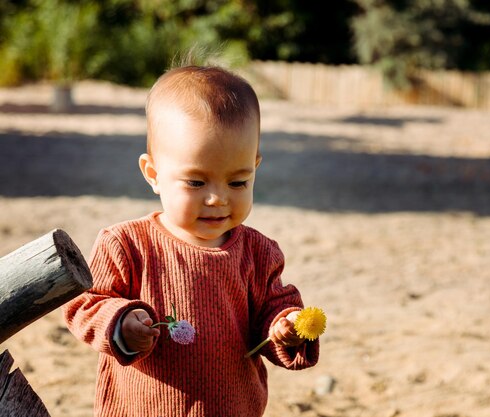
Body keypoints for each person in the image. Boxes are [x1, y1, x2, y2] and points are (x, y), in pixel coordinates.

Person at [63, 65, 319, 417]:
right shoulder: (126, 244)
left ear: (255, 168)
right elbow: (84, 304)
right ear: (153, 174)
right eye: (196, 183)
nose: (217, 199)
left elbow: (274, 310)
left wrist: (285, 326)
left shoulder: (259, 253)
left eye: (238, 182)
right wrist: (120, 323)